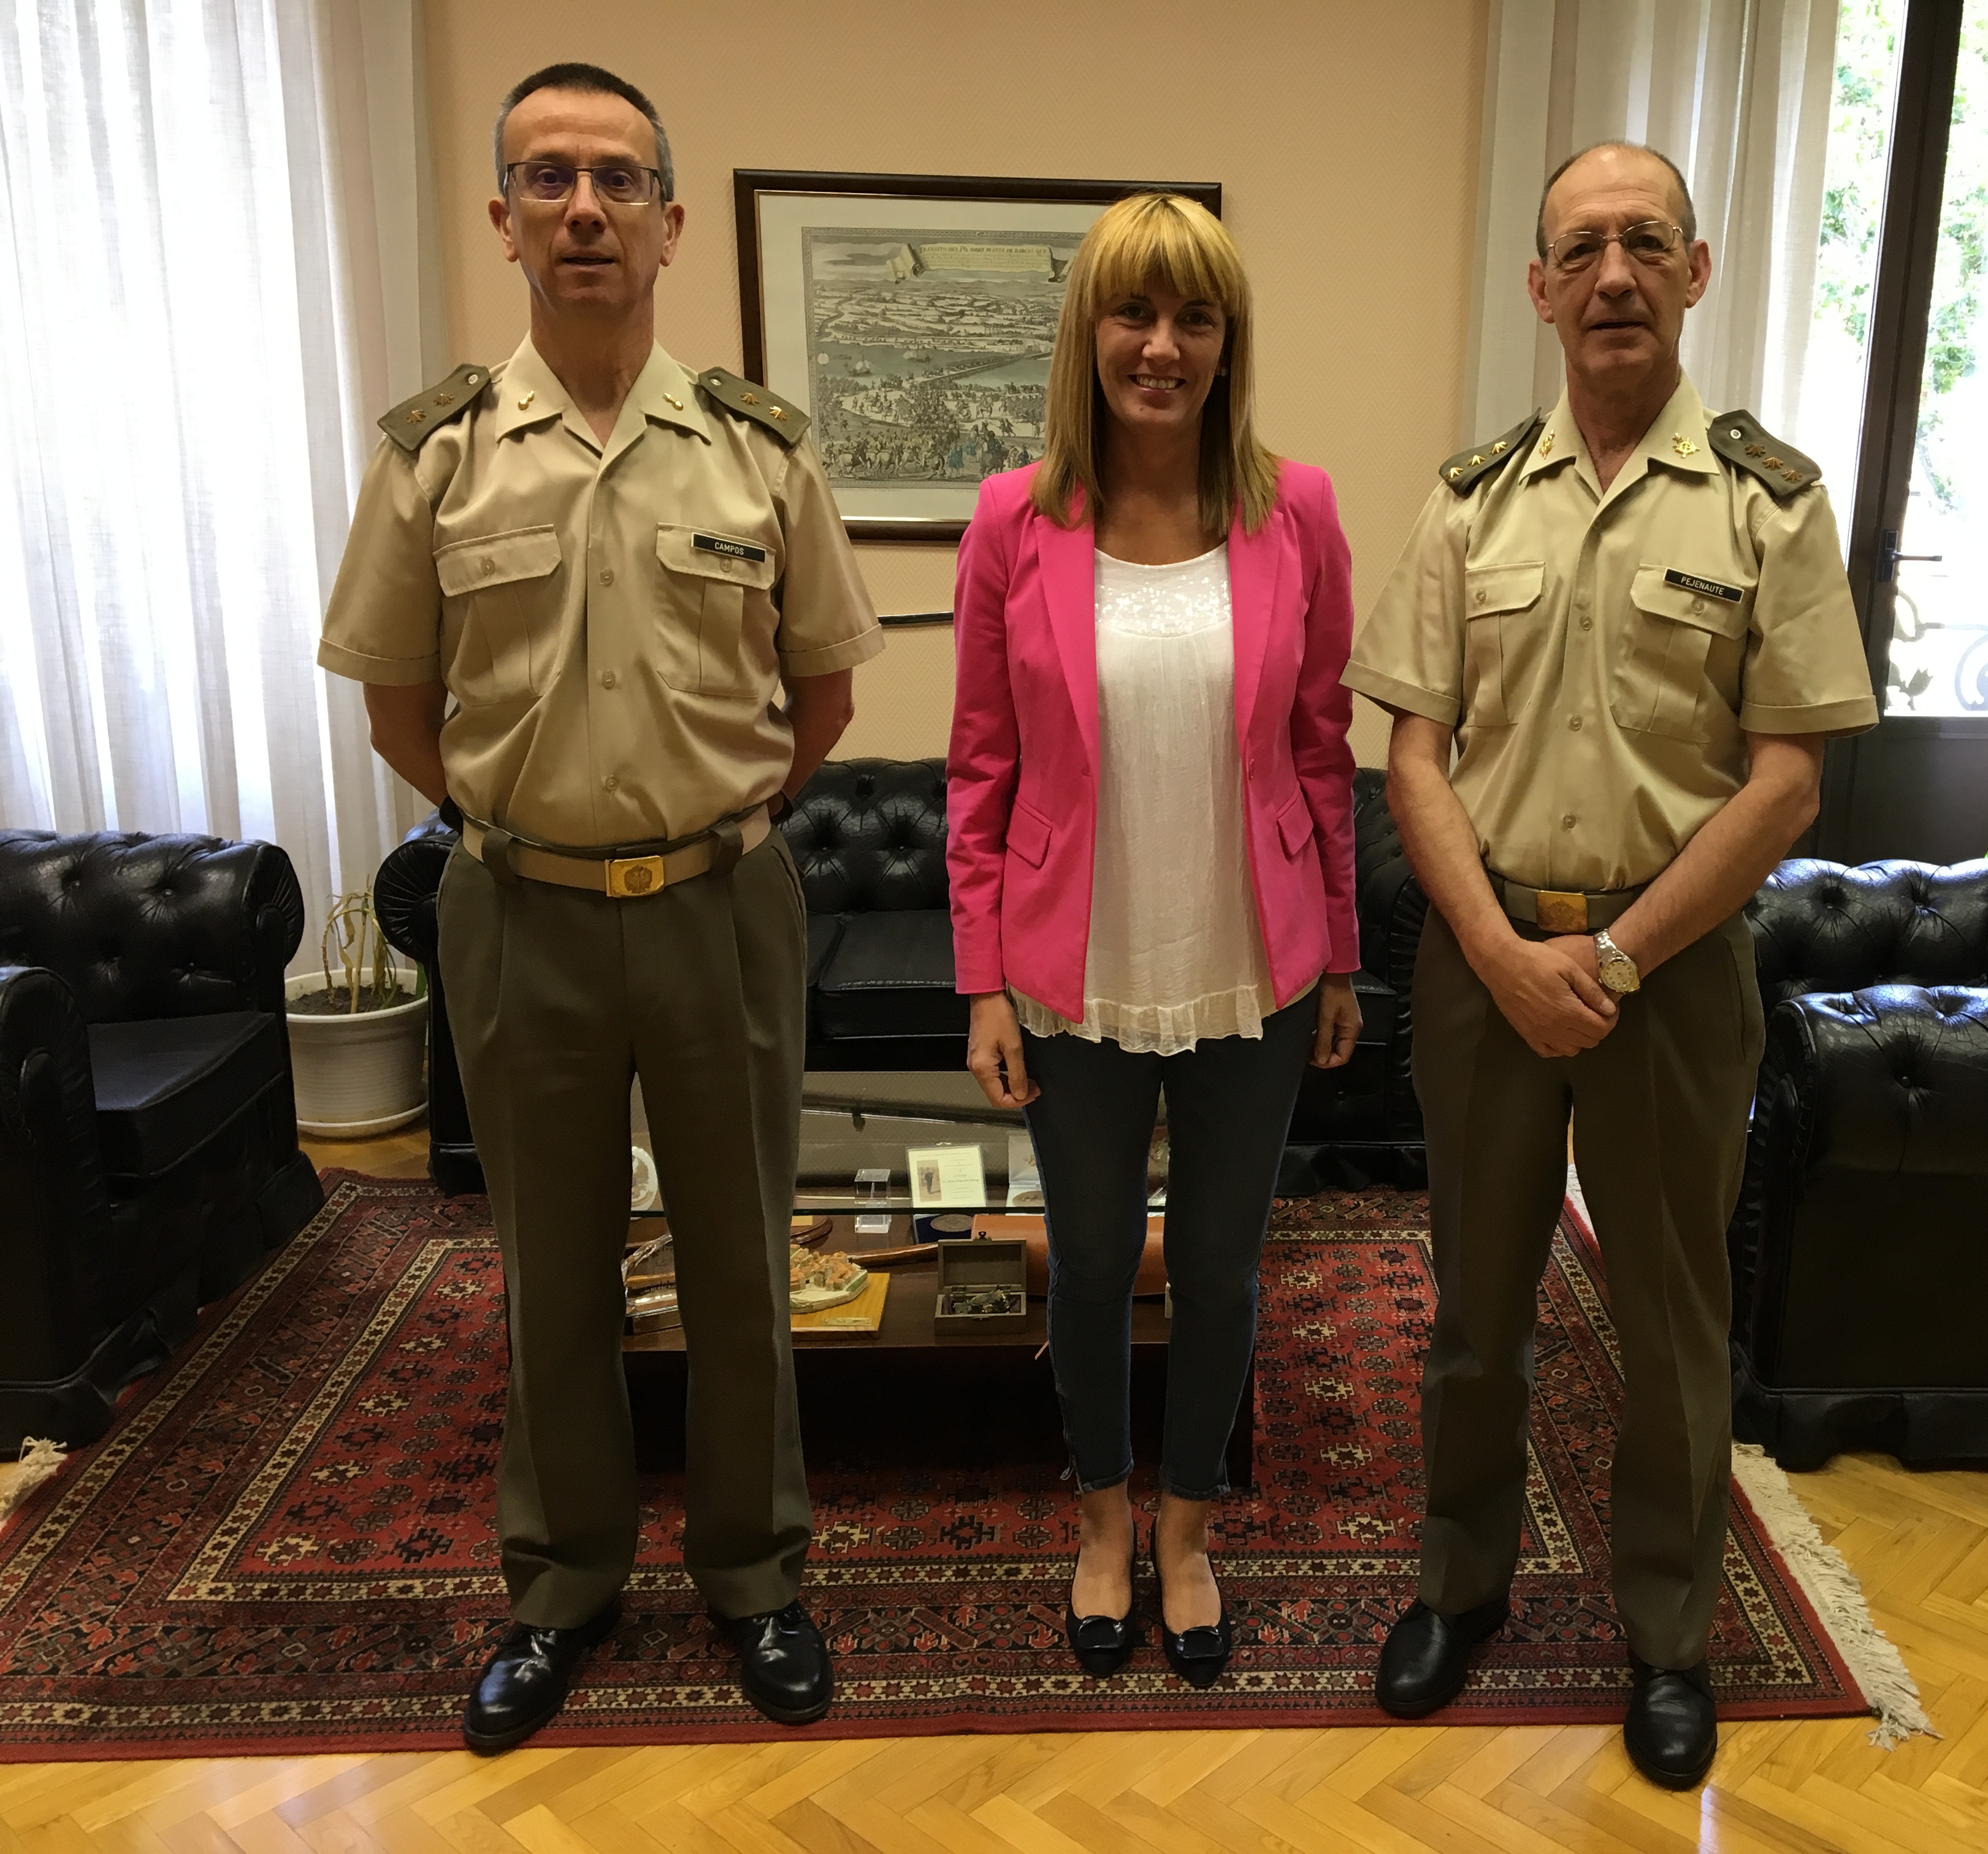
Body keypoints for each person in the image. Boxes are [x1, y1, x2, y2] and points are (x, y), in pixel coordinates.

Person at [318, 62, 882, 1752]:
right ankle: (560, 1588)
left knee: (741, 1261)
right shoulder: (438, 457)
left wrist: (710, 820)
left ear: (669, 222)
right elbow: (398, 710)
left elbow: (823, 697)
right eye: (549, 179)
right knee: (549, 1268)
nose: (584, 209)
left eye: (617, 180)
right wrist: (529, 824)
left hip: (722, 906)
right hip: (521, 914)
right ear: (503, 220)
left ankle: (756, 1578)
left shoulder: (758, 450)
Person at [1342, 141, 1878, 1787]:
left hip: (1676, 969)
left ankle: (1667, 1635)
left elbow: (1787, 778)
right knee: (1473, 1309)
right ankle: (1460, 1587)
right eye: (1581, 251)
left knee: (1670, 1317)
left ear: (1696, 272)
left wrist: (1622, 957)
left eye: (1647, 243)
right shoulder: (1469, 500)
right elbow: (1413, 753)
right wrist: (1500, 951)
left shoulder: (1771, 503)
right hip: (1487, 962)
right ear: (1540, 288)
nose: (1614, 276)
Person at [947, 192, 1363, 1688]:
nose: (1162, 345)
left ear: (1228, 342)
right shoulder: (1013, 521)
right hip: (1075, 971)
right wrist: (982, 982)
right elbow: (981, 767)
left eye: (1195, 316)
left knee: (1225, 1272)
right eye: (1134, 312)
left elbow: (1321, 749)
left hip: (1257, 963)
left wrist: (1344, 954)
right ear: (1090, 335)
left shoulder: (1297, 509)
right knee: (1088, 1265)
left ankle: (1188, 1534)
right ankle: (1103, 1523)